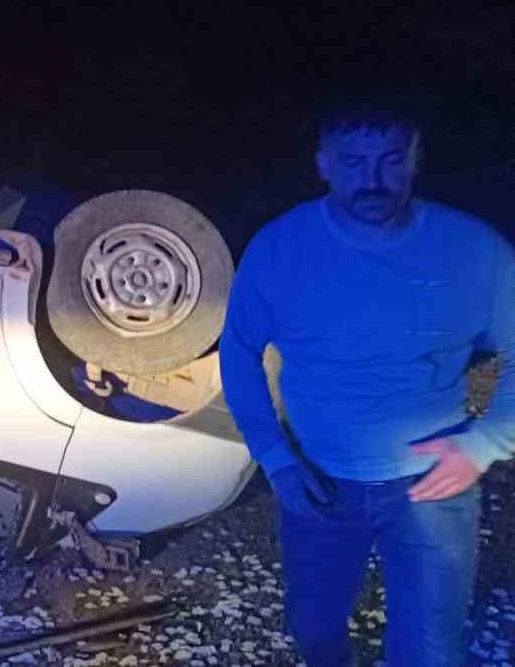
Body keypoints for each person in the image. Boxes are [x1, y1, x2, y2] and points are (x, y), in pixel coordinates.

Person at [220, 94, 515, 666]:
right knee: (315, 632)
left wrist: (485, 442)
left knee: (431, 652)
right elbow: (238, 353)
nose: (373, 180)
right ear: (323, 163)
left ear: (415, 159)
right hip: (319, 479)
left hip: (434, 486)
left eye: (390, 160)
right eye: (354, 162)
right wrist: (275, 458)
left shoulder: (470, 250)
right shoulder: (282, 248)